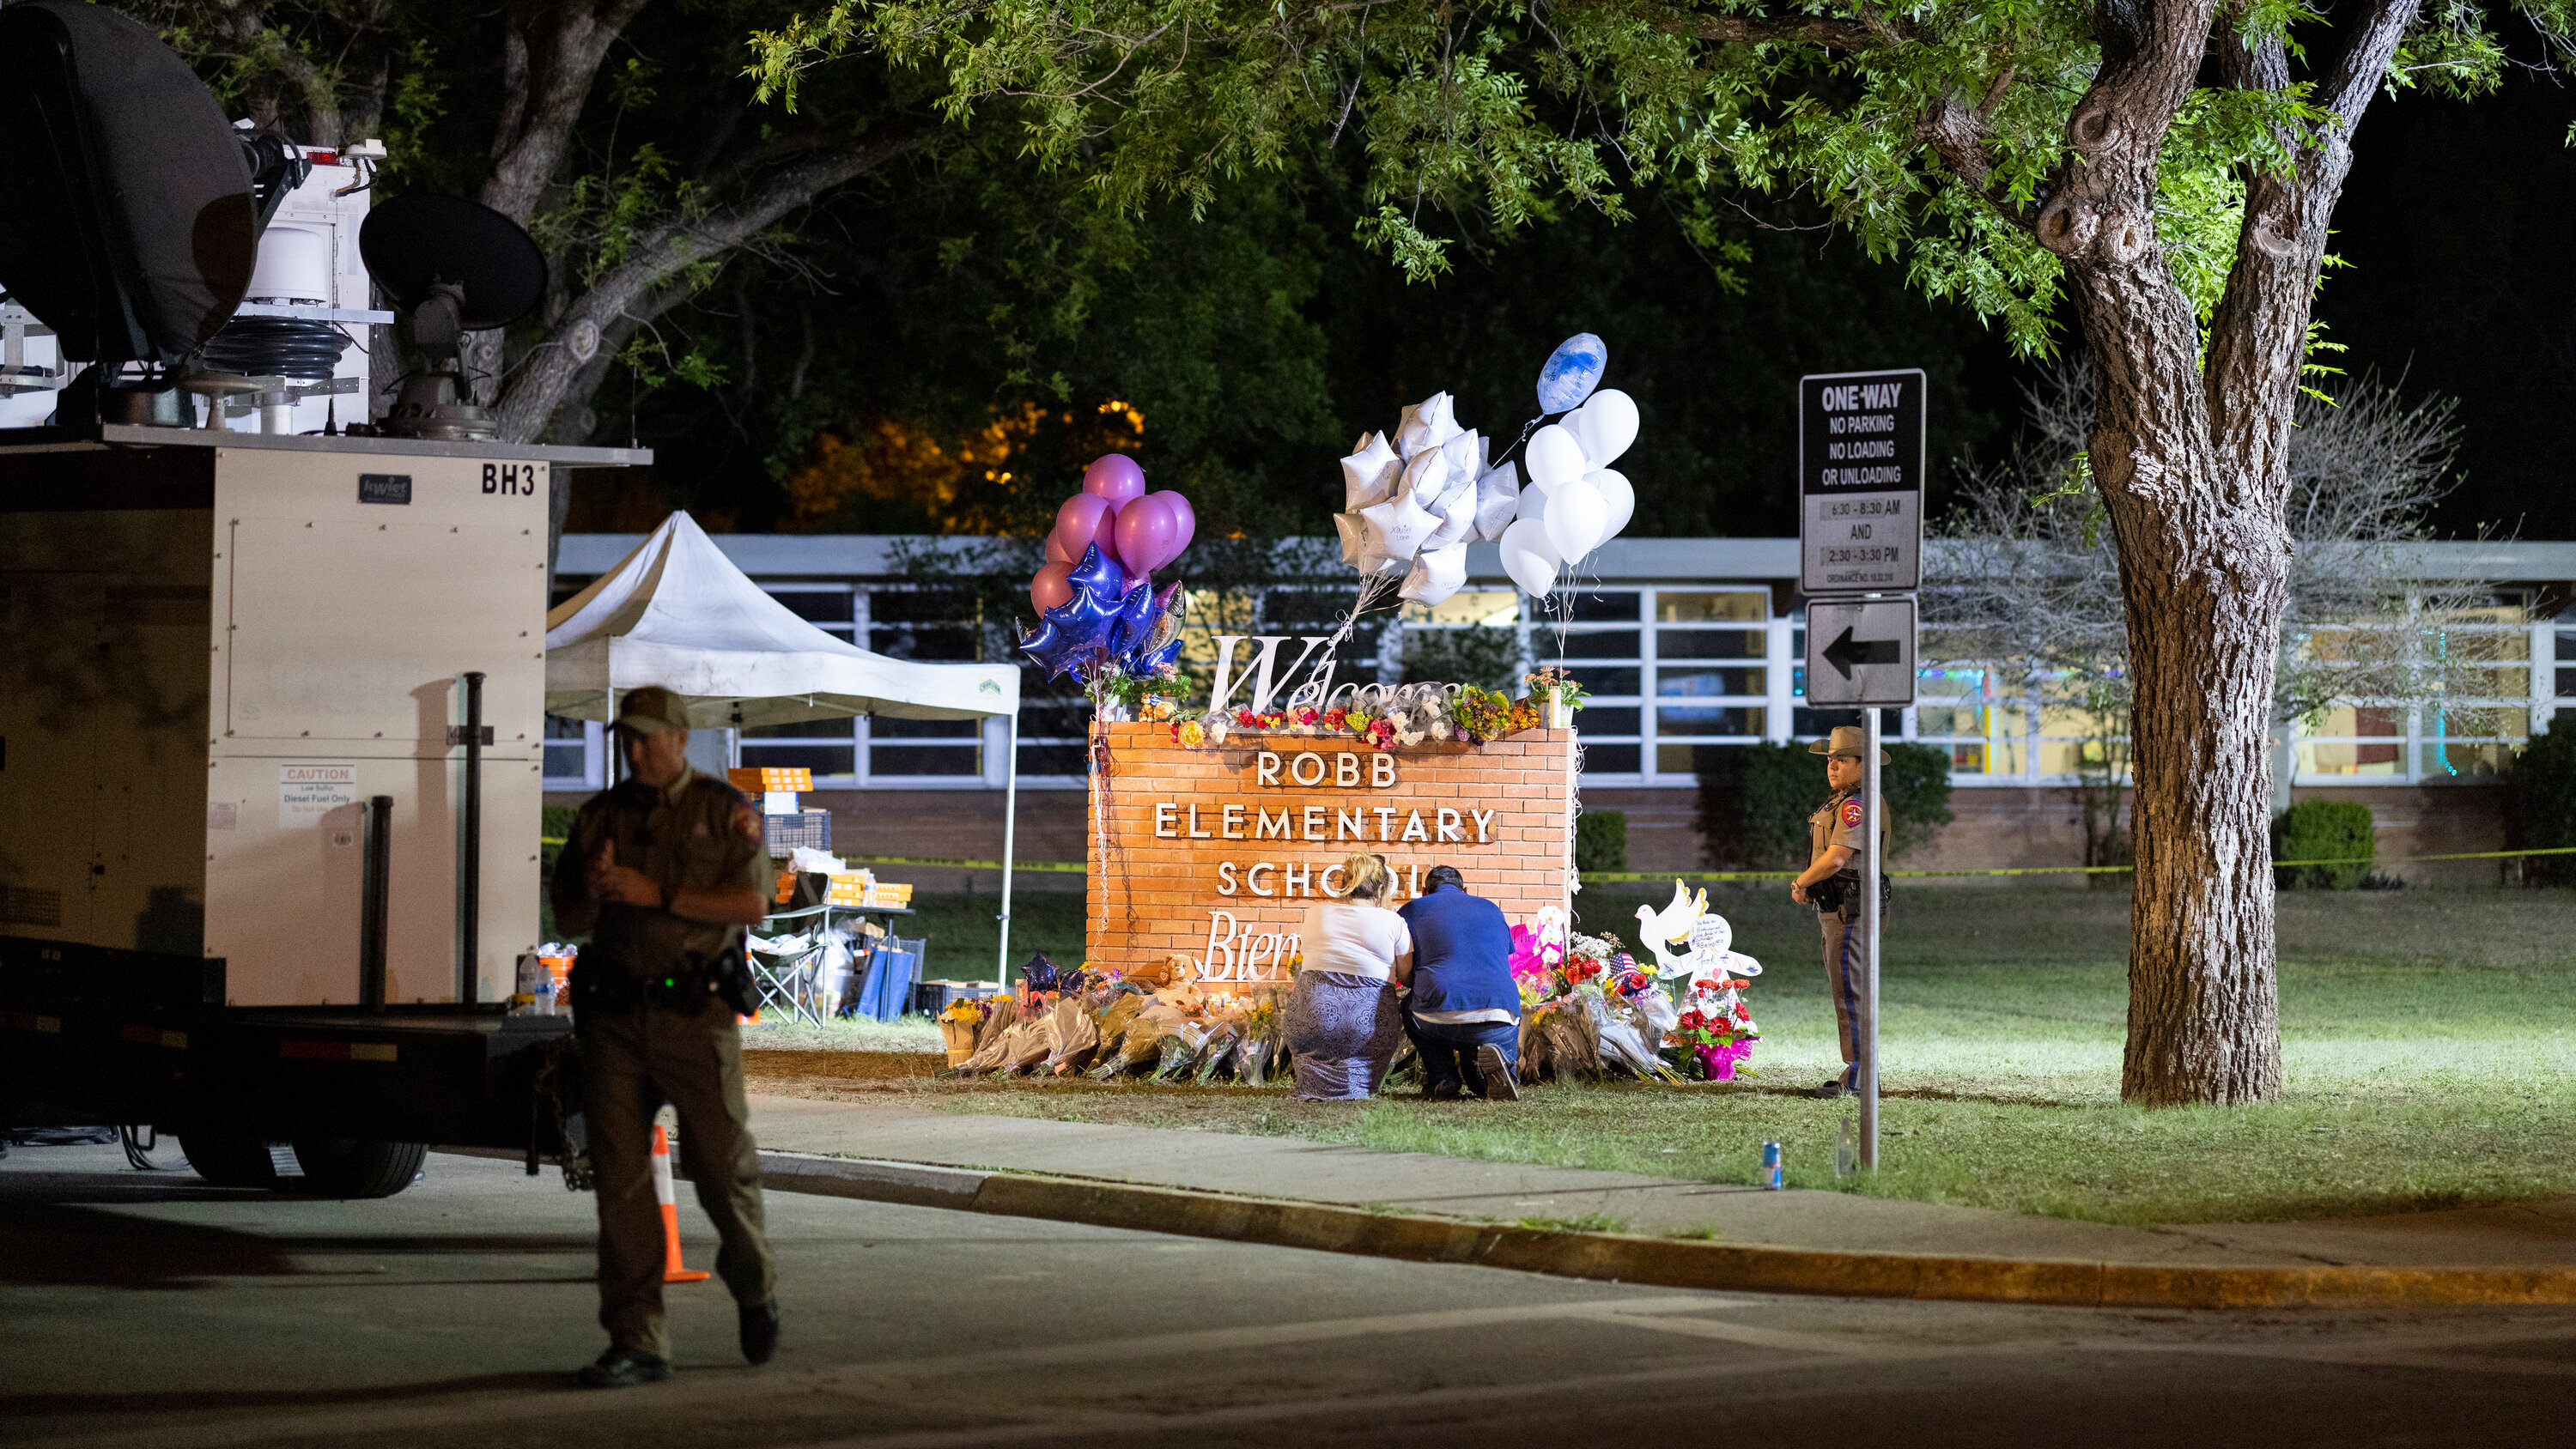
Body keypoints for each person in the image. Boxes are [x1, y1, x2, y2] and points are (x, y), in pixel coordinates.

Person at [549, 686, 782, 1388]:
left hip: (696, 1019)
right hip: (615, 1021)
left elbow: (755, 904)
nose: (637, 749)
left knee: (720, 1170)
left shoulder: (724, 812)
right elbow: (567, 917)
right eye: (629, 738)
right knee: (619, 1186)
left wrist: (659, 894)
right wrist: (593, 888)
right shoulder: (601, 817)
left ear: (681, 738)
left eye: (649, 737)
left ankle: (754, 1285)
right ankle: (637, 1340)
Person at [1788, 724, 1890, 1100]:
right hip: (1839, 909)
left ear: (1863, 766)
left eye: (1841, 760)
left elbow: (1835, 859)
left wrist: (1801, 883)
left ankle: (1861, 1077)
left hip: (1851, 910)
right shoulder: (1842, 800)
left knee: (1851, 994)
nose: (1832, 766)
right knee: (1846, 992)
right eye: (1829, 759)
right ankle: (1858, 1071)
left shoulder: (1856, 805)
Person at [1284, 853, 1414, 1100]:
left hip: (1311, 1019)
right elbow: (1408, 977)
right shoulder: (1393, 921)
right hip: (1366, 1026)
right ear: (1380, 889)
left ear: (1346, 883)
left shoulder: (1317, 912)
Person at [1396, 864, 1521, 1101]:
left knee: (1408, 1007)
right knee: (1478, 1080)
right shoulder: (1491, 908)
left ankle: (1442, 1076)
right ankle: (1496, 1072)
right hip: (1500, 1012)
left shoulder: (1411, 910)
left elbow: (1406, 974)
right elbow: (1504, 956)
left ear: (1424, 891)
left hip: (1437, 1015)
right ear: (1465, 889)